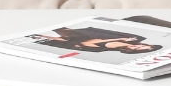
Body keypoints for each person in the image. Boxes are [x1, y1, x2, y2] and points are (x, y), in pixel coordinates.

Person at [30, 25, 162, 55]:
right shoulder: (136, 39)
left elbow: (86, 43)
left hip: (78, 37)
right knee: (57, 30)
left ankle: (40, 34)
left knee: (58, 30)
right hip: (82, 32)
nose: (137, 47)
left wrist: (119, 38)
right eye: (142, 47)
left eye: (138, 49)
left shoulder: (109, 48)